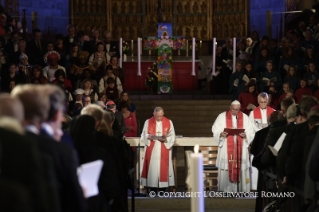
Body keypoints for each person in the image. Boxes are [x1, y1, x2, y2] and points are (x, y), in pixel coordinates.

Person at [211, 100, 255, 192]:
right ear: (230, 107)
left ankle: (241, 190)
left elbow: (251, 131)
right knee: (226, 168)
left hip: (240, 147)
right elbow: (215, 129)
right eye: (233, 109)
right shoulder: (222, 117)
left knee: (240, 167)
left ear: (239, 108)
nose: (235, 111)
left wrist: (245, 135)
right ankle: (226, 190)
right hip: (226, 146)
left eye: (237, 109)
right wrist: (221, 134)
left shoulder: (245, 117)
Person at [140, 107, 176, 192]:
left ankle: (162, 190)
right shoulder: (148, 122)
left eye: (161, 116)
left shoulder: (169, 122)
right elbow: (143, 135)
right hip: (152, 149)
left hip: (163, 148)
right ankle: (152, 189)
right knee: (152, 169)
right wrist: (148, 136)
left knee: (162, 169)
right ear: (154, 114)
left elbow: (172, 136)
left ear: (163, 114)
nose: (159, 118)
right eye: (157, 116)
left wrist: (166, 139)